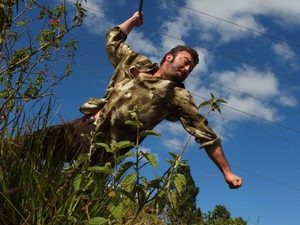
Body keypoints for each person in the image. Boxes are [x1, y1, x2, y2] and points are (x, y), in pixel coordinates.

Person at [33, 11, 242, 189]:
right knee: (20, 149)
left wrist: (227, 172)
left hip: (105, 151)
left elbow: (206, 135)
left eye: (191, 69)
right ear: (169, 57)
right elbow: (113, 39)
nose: (187, 69)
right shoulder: (137, 63)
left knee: (70, 196)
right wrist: (133, 20)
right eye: (185, 62)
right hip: (83, 127)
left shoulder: (178, 95)